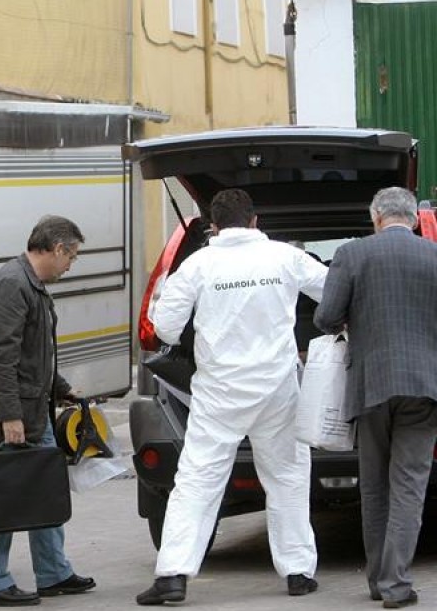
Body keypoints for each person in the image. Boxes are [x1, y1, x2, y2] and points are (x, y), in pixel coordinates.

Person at [136, 189, 327, 605]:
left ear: (213, 226)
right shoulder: (285, 257)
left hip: (219, 394)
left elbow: (165, 328)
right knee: (287, 478)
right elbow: (331, 294)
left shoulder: (198, 264)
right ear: (255, 221)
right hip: (277, 390)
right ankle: (297, 572)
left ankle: (172, 575)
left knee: (197, 481)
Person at [0, 215, 96, 607]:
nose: (71, 265)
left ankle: (53, 572)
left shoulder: (32, 285)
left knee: (43, 489)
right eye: (72, 257)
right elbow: (1, 357)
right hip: (13, 414)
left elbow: (36, 353)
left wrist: (62, 388)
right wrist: (9, 416)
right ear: (58, 249)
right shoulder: (14, 284)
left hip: (33, 408)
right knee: (6, 493)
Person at [314, 186, 437, 609]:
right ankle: (396, 584)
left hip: (370, 385)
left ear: (375, 217)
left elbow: (326, 317)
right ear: (416, 219)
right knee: (409, 486)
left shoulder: (352, 254)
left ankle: (377, 581)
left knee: (374, 488)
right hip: (424, 387)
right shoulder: (434, 256)